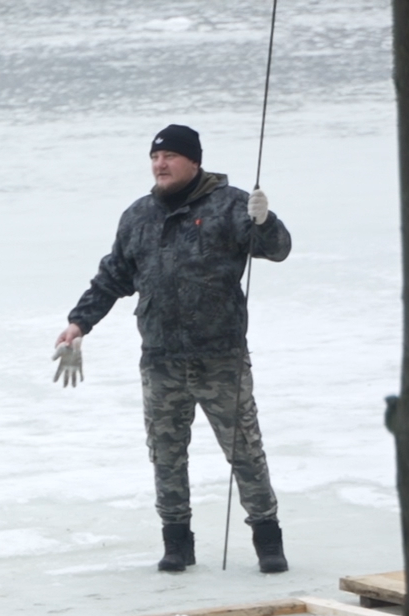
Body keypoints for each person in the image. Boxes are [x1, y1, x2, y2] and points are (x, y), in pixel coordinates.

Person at [54, 123, 293, 574]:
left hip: (220, 357)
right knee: (166, 455)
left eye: (169, 157)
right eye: (154, 157)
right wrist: (79, 322)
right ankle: (177, 543)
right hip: (161, 359)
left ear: (194, 161)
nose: (160, 165)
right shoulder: (138, 216)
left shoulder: (230, 204)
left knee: (245, 452)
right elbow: (112, 277)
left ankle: (268, 540)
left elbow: (276, 250)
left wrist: (265, 220)